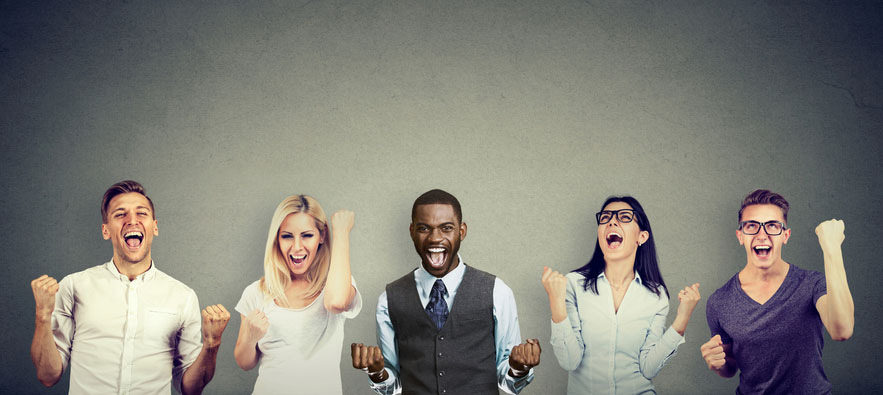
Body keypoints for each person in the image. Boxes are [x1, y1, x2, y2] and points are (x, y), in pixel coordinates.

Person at [29, 180, 230, 394]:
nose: (132, 221)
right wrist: (42, 315)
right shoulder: (73, 286)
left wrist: (212, 344)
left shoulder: (183, 296)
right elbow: (48, 376)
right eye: (120, 214)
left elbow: (191, 389)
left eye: (141, 213)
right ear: (106, 230)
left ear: (155, 227)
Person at [351, 189, 541, 395]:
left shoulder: (497, 292)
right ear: (412, 231)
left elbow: (509, 383)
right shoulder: (389, 298)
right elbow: (393, 385)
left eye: (446, 228)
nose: (435, 238)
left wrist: (519, 369)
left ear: (462, 231)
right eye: (424, 228)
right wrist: (377, 373)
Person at [541, 196, 701, 395]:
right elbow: (569, 361)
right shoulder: (573, 284)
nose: (612, 222)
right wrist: (556, 302)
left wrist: (682, 319)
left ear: (641, 237)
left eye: (624, 217)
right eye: (605, 218)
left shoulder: (656, 296)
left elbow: (648, 368)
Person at [701, 189, 854, 394]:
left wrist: (832, 248)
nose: (762, 235)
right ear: (740, 236)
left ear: (785, 235)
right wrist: (718, 365)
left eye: (772, 226)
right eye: (752, 226)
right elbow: (730, 367)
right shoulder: (719, 301)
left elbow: (842, 330)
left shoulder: (812, 284)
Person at [233, 195, 360, 394]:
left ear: (322, 236)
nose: (297, 247)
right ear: (277, 239)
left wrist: (342, 232)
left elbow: (336, 302)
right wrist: (250, 338)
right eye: (287, 236)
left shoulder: (338, 283)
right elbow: (244, 362)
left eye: (307, 235)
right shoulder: (256, 292)